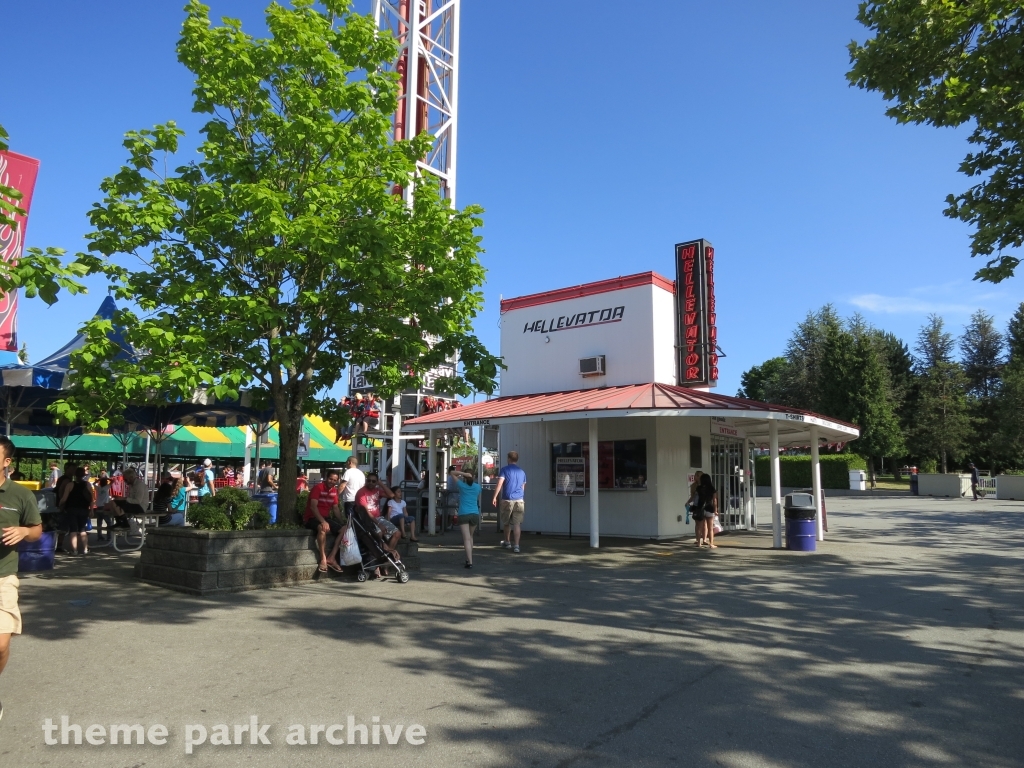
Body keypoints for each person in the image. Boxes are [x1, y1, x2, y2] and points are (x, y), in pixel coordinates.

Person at [0, 436, 42, 723]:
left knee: (1, 645)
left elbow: (36, 530)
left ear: (6, 462)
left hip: (3, 576)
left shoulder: (20, 495)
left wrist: (24, 532)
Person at [304, 470, 347, 573]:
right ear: (326, 478)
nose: (332, 482)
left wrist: (342, 522)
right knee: (323, 528)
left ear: (337, 481)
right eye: (330, 479)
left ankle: (331, 557)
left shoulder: (334, 491)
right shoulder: (318, 488)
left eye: (335, 480)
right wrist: (323, 521)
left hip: (325, 518)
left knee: (344, 529)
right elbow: (313, 507)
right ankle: (323, 558)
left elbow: (335, 508)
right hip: (311, 517)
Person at [493, 451, 527, 553]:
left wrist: (495, 497)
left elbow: (499, 484)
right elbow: (523, 487)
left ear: (508, 459)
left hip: (507, 499)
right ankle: (516, 546)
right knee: (517, 524)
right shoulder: (522, 472)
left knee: (506, 522)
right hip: (519, 500)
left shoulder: (504, 470)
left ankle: (507, 542)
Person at [355, 472, 399, 551]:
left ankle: (388, 553)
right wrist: (379, 524)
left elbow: (391, 495)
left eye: (373, 481)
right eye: (369, 480)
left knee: (397, 533)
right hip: (367, 520)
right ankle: (380, 554)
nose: (371, 483)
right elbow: (366, 512)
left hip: (378, 518)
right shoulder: (361, 493)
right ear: (366, 481)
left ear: (376, 482)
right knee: (379, 533)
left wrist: (381, 484)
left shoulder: (377, 490)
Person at [59, 467, 94, 556]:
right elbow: (91, 499)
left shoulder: (70, 485)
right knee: (82, 529)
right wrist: (91, 510)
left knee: (73, 530)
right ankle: (85, 549)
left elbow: (64, 498)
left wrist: (60, 504)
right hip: (84, 509)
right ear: (84, 475)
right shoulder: (87, 485)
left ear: (75, 475)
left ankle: (74, 550)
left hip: (71, 509)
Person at [452, 470, 482, 569]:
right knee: (470, 537)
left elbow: (452, 473)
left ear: (465, 477)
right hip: (474, 514)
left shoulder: (461, 486)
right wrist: (468, 476)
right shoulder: (477, 487)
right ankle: (468, 558)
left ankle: (470, 561)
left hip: (463, 513)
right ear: (474, 477)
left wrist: (463, 474)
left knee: (466, 539)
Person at [697, 473, 718, 549]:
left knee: (699, 527)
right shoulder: (712, 489)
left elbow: (695, 498)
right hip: (709, 508)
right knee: (710, 528)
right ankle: (711, 544)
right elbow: (714, 500)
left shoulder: (699, 488)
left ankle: (699, 543)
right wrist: (715, 510)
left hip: (700, 508)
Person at [94, 472, 113, 541]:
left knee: (99, 523)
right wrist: (107, 478)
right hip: (105, 506)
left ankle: (99, 536)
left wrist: (99, 479)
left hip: (98, 506)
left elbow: (94, 484)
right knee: (109, 522)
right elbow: (112, 481)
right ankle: (109, 536)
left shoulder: (98, 488)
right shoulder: (106, 487)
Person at [688, 471, 705, 546]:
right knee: (698, 523)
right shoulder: (693, 486)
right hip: (697, 505)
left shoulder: (705, 485)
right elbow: (692, 496)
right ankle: (698, 540)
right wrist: (688, 502)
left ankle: (703, 539)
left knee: (703, 524)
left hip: (703, 505)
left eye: (696, 476)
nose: (695, 477)